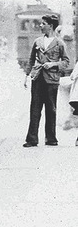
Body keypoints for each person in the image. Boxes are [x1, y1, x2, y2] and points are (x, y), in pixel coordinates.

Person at [23, 14, 69, 147]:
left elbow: (66, 61)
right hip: (37, 78)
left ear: (51, 25)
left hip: (52, 80)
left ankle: (51, 139)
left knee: (51, 109)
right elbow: (31, 60)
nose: (41, 26)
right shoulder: (37, 41)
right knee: (35, 109)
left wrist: (53, 64)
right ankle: (32, 139)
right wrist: (27, 76)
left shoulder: (59, 43)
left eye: (43, 24)